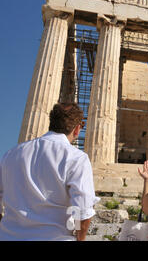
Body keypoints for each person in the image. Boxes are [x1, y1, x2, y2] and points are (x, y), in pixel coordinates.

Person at [0, 103, 99, 241]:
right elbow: (82, 211)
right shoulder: (76, 158)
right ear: (77, 129)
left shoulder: (10, 154)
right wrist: (80, 238)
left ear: (51, 123)